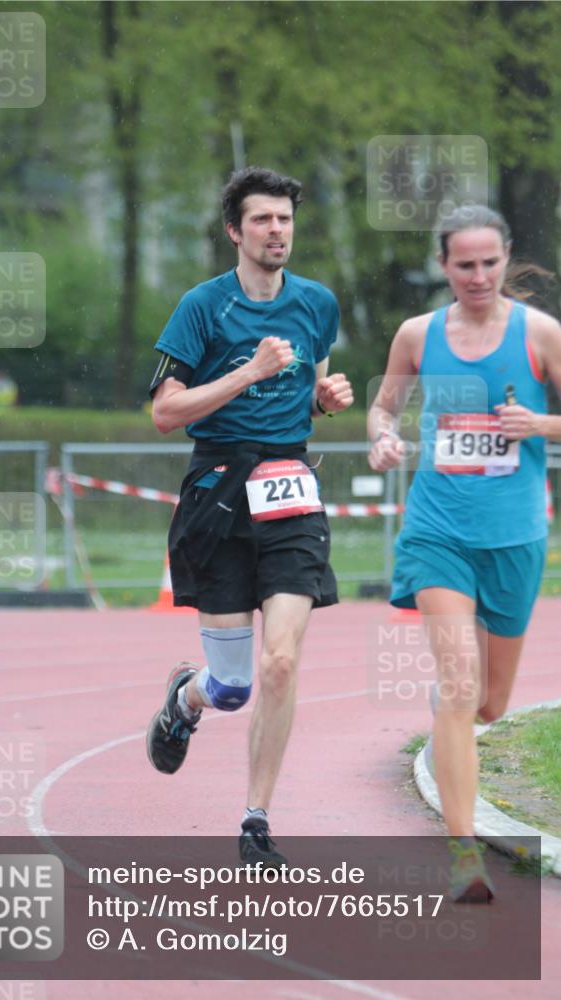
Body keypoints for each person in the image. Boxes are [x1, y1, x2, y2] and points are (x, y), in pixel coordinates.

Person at [146, 166, 353, 865]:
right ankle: (186, 699)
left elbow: (304, 394)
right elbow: (163, 414)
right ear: (235, 231)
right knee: (232, 686)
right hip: (216, 488)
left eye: (285, 220)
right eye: (262, 220)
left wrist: (323, 400)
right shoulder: (202, 306)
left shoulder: (318, 303)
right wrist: (246, 373)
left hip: (289, 485)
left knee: (283, 661)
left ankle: (255, 819)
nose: (276, 231)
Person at [367, 204, 561, 901]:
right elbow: (382, 407)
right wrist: (382, 435)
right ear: (442, 265)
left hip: (513, 538)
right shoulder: (418, 335)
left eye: (488, 263)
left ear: (506, 259)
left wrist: (540, 422)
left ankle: (458, 711)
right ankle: (462, 858)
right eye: (462, 264)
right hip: (436, 530)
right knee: (457, 687)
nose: (476, 276)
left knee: (488, 703)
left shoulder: (539, 334)